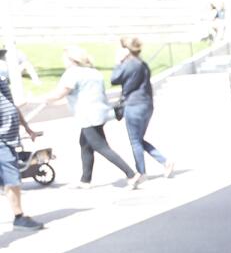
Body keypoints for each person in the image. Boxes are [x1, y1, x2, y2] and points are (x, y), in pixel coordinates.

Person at [45, 47, 138, 189]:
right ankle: (85, 180)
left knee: (101, 146)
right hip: (101, 112)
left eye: (64, 58)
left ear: (72, 60)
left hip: (87, 115)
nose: (63, 61)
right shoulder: (93, 72)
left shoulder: (72, 73)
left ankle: (131, 174)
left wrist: (45, 99)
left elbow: (61, 93)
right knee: (85, 144)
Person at [111, 36, 174, 183]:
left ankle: (141, 172)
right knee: (138, 140)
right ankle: (164, 161)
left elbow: (114, 79)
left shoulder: (130, 64)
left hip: (134, 105)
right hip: (146, 104)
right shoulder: (142, 64)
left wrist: (117, 62)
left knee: (135, 141)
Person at [0, 60, 44, 230]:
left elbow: (12, 106)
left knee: (12, 179)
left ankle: (19, 216)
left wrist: (26, 127)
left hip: (8, 139)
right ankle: (19, 216)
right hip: (2, 140)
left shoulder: (2, 80)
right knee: (12, 178)